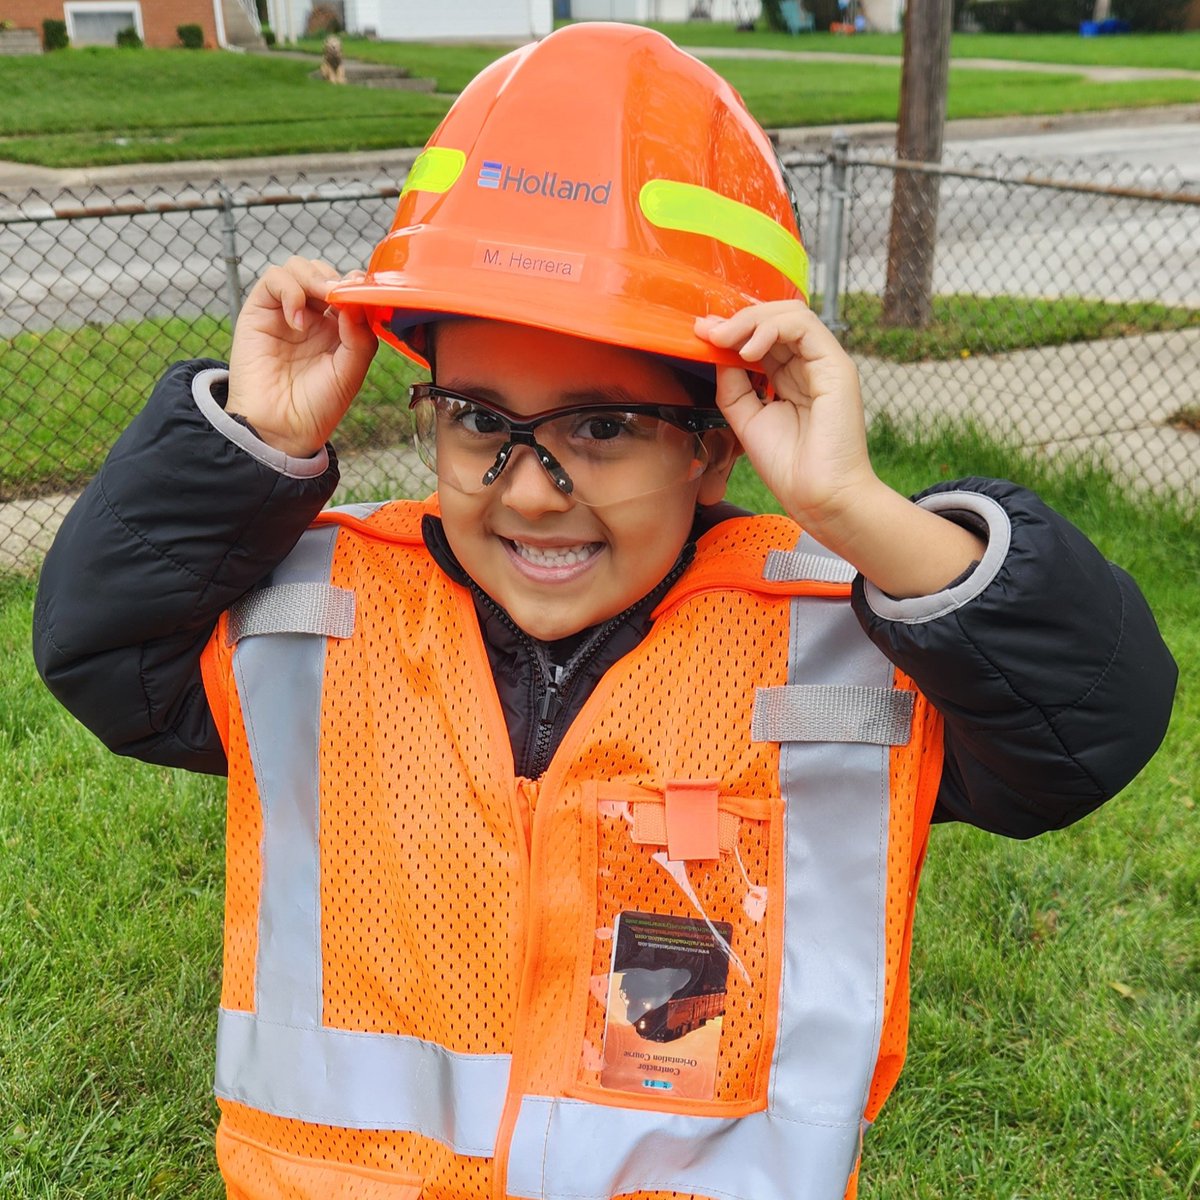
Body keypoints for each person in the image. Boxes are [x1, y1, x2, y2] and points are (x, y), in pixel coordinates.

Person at [33, 22, 1175, 1200]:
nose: (529, 488)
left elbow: (1090, 724)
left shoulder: (833, 654)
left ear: (719, 445)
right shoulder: (320, 622)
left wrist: (855, 507)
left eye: (603, 427)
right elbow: (99, 647)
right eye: (480, 418)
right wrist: (254, 448)